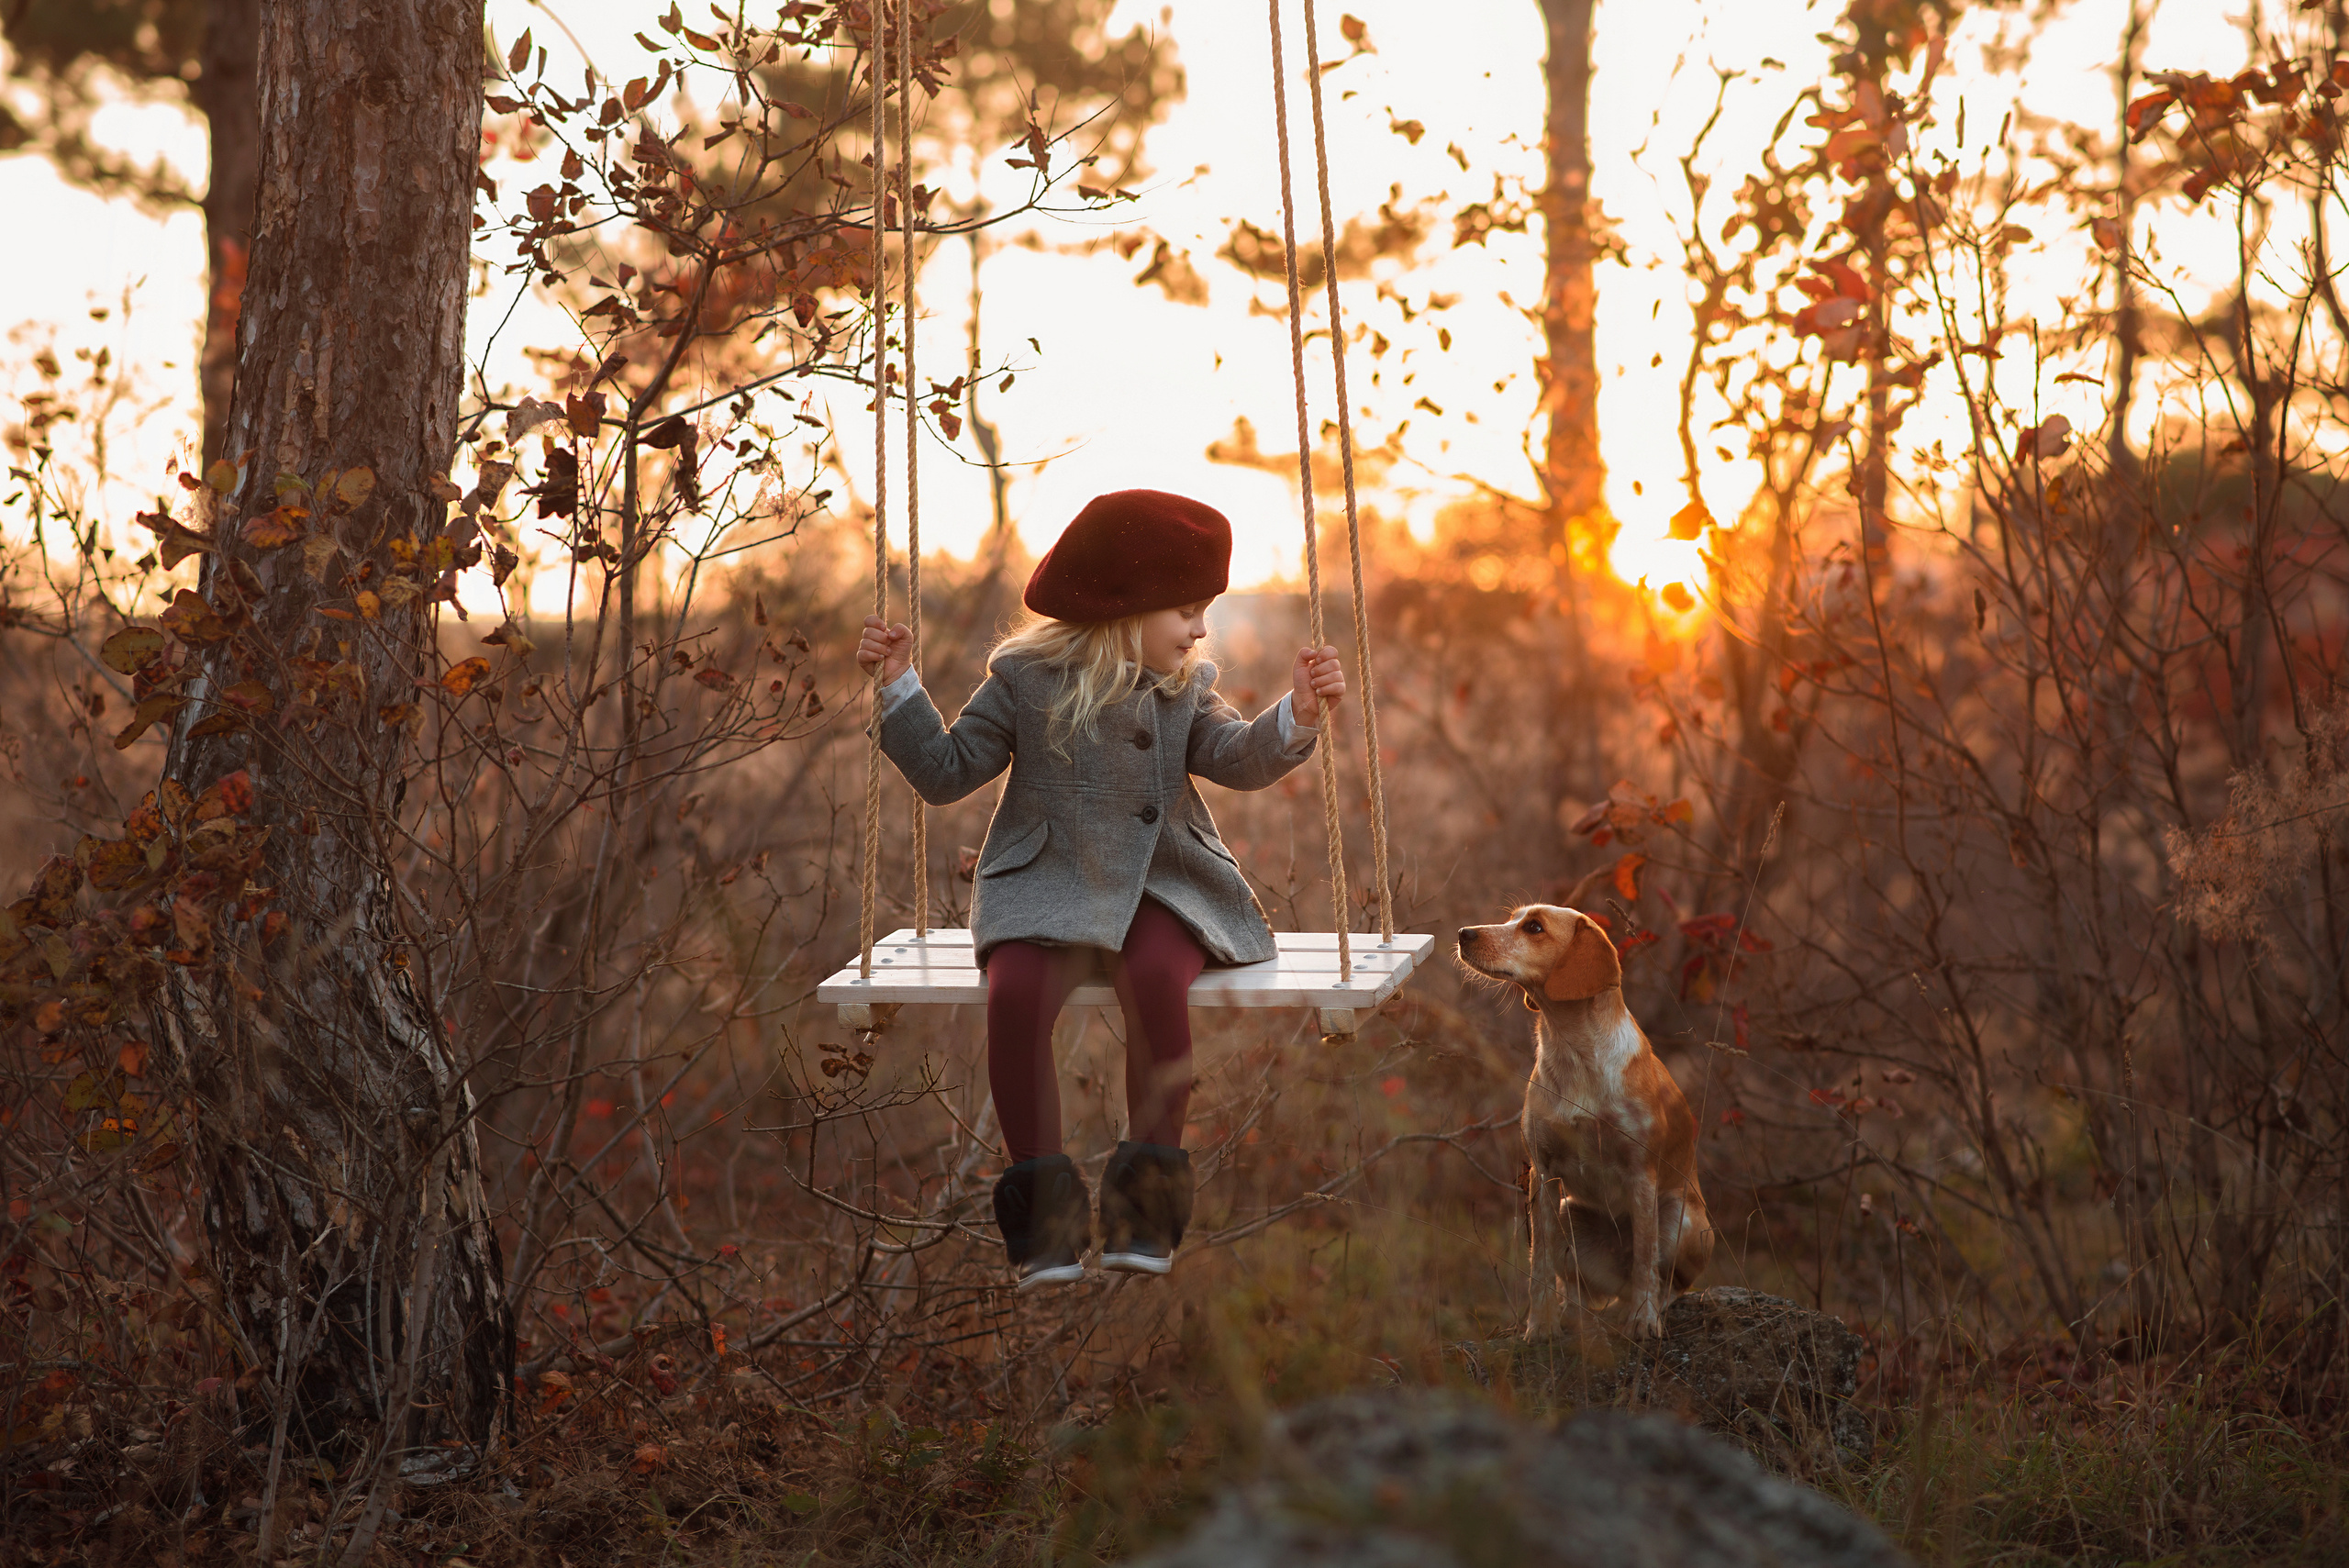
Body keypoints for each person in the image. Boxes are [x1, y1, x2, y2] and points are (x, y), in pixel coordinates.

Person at [856, 489, 1346, 1290]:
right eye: (1185, 610)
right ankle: (1045, 1222)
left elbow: (1239, 758)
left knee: (1157, 980)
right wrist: (901, 686)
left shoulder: (1184, 687)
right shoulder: (1024, 680)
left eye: (1204, 613)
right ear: (1128, 607)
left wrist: (1296, 712)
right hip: (1045, 883)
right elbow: (946, 773)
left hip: (1162, 882)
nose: (1198, 629)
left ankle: (1144, 1214)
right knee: (1013, 995)